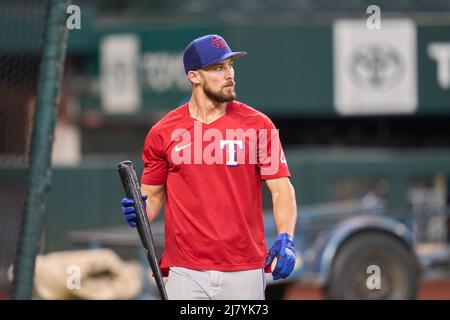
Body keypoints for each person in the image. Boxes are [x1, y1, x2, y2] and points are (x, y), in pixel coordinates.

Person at [121, 34, 297, 300]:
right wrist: (139, 209)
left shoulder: (259, 125)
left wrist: (287, 237)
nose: (229, 74)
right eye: (218, 68)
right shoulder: (163, 133)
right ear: (194, 76)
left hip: (245, 267)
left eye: (230, 65)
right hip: (186, 270)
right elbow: (153, 197)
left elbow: (282, 189)